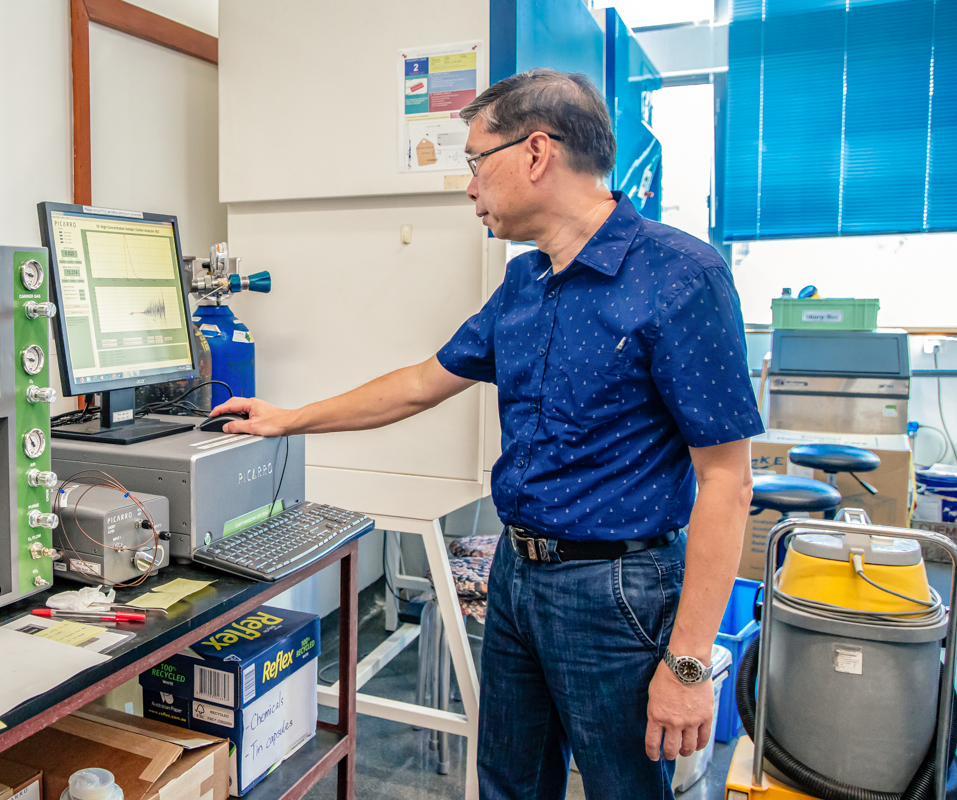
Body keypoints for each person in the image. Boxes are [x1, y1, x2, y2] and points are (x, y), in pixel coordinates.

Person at [209, 68, 762, 799]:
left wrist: (689, 664)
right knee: (506, 782)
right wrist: (287, 418)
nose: (469, 185)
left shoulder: (680, 275)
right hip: (518, 573)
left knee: (624, 787)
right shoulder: (526, 285)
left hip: (619, 590)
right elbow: (417, 384)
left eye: (475, 160)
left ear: (536, 153)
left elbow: (727, 478)